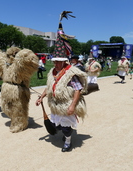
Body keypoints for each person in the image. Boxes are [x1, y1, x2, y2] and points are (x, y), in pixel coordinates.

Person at [36, 11, 87, 152]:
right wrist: (41, 97)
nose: (57, 64)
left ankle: (68, 141)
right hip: (54, 105)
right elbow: (49, 87)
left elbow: (77, 89)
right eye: (55, 62)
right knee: (57, 126)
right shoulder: (51, 72)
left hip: (65, 105)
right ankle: (66, 134)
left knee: (65, 128)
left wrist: (72, 106)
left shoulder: (71, 73)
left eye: (59, 62)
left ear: (64, 61)